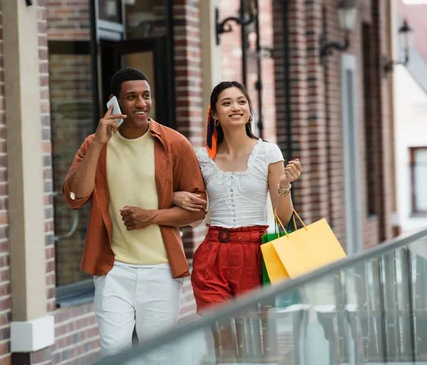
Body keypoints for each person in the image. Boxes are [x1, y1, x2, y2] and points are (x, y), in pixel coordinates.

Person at [62, 67, 206, 359]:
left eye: (145, 96)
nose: (141, 103)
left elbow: (197, 212)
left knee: (159, 355)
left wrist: (152, 215)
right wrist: (99, 143)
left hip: (161, 269)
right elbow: (75, 197)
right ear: (114, 102)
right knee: (115, 352)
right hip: (114, 270)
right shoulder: (95, 145)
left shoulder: (174, 144)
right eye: (131, 97)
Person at [173, 81, 302, 362]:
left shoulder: (268, 153)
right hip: (213, 255)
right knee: (224, 347)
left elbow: (283, 216)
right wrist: (177, 196)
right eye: (227, 102)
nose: (236, 107)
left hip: (255, 254)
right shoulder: (201, 158)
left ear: (249, 110)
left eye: (242, 101)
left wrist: (284, 185)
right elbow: (194, 207)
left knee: (254, 346)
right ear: (214, 114)